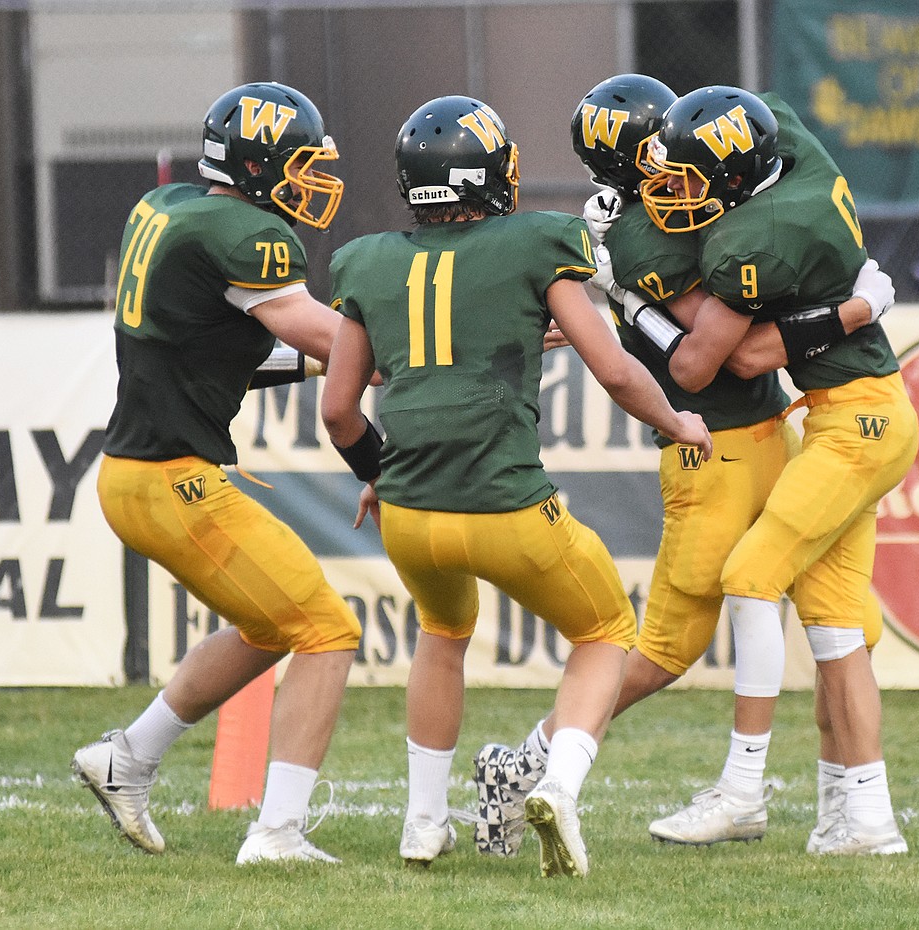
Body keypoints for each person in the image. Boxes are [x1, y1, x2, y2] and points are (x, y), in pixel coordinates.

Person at [473, 75, 895, 858]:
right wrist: (853, 309)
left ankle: (851, 806)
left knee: (838, 623)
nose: (675, 165)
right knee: (667, 647)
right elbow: (722, 356)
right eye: (659, 154)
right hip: (717, 447)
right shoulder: (645, 232)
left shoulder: (680, 204)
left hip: (771, 433)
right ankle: (535, 766)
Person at [319, 94, 713, 878]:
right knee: (605, 634)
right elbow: (616, 369)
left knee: (442, 635)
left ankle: (423, 824)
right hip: (504, 504)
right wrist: (681, 424)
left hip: (408, 511)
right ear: (488, 173)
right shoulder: (539, 238)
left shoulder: (365, 258)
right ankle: (559, 787)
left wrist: (379, 475)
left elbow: (337, 410)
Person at [619, 84, 918, 855]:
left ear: (735, 179)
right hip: (849, 416)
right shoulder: (788, 143)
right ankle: (861, 820)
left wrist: (851, 314)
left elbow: (734, 357)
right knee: (834, 621)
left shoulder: (757, 238)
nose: (674, 191)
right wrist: (852, 311)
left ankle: (743, 789)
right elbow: (759, 106)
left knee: (750, 575)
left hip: (858, 424)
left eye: (690, 178)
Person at [71, 81, 361, 866]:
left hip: (133, 475)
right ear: (259, 164)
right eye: (300, 164)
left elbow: (213, 343)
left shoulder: (167, 209)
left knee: (272, 626)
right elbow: (325, 335)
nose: (312, 182)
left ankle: (126, 757)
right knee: (328, 630)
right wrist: (437, 341)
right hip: (173, 480)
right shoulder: (246, 234)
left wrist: (341, 365)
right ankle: (278, 832)